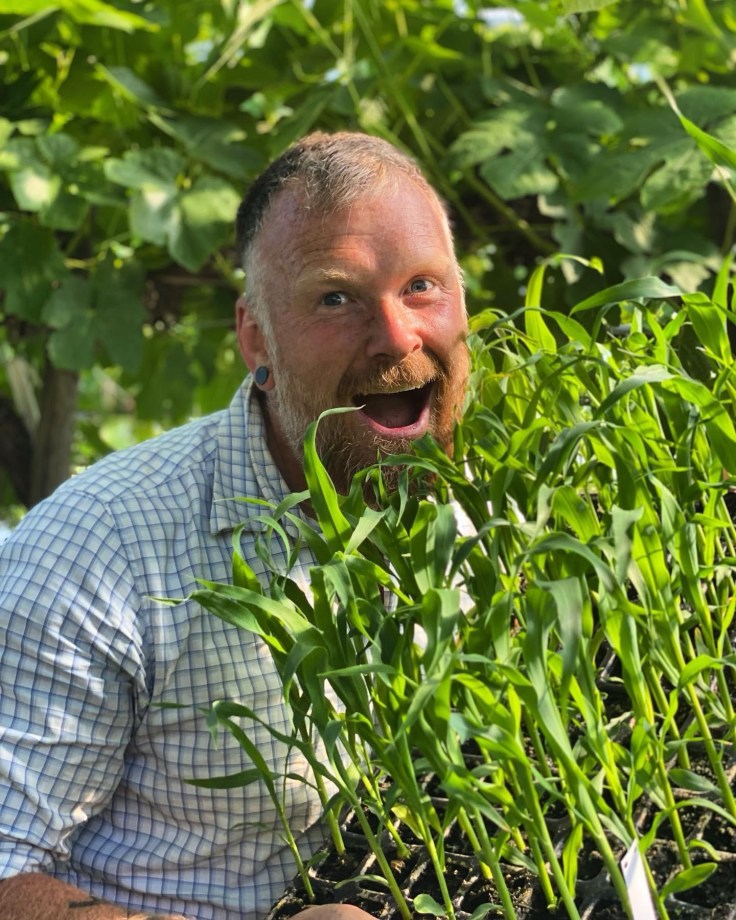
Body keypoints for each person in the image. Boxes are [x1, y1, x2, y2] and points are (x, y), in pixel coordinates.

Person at [0, 131, 470, 920]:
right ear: (257, 337)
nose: (396, 336)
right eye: (336, 298)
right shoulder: (105, 549)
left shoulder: (498, 512)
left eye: (421, 285)